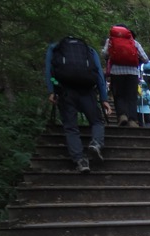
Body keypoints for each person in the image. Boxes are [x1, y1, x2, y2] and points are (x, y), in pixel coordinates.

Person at [45, 36, 112, 174]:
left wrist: (52, 89)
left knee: (71, 127)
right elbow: (99, 74)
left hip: (65, 91)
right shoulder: (89, 50)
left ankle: (80, 160)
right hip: (87, 91)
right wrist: (104, 98)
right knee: (97, 121)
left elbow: (49, 71)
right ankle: (96, 143)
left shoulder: (55, 48)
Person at [102, 24, 149, 127]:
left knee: (119, 96)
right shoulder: (134, 43)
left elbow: (105, 54)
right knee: (132, 97)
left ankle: (122, 115)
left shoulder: (110, 41)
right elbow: (145, 59)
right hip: (132, 73)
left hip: (116, 73)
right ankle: (132, 120)